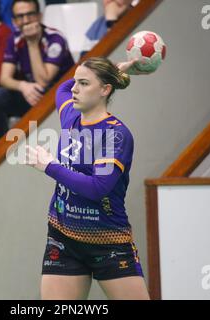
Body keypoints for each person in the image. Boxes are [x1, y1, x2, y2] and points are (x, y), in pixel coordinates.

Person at [25, 56, 150, 300]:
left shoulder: (116, 135)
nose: (74, 88)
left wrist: (49, 166)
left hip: (108, 241)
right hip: (63, 238)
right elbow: (61, 88)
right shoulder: (70, 115)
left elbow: (97, 187)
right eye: (76, 81)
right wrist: (114, 69)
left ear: (105, 90)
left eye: (83, 83)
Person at [0, 0, 75, 119]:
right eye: (20, 16)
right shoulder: (14, 39)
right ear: (14, 21)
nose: (26, 21)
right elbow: (4, 79)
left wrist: (32, 42)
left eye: (30, 14)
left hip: (61, 93)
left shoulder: (55, 38)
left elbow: (43, 82)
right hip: (31, 91)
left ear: (39, 16)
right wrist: (22, 86)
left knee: (41, 91)